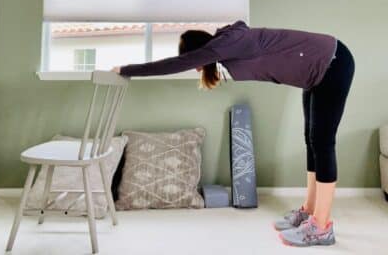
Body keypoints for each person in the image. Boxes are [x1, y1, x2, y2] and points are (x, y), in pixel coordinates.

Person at [111, 20, 355, 247]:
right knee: (312, 141)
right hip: (316, 70)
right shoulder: (227, 45)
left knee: (322, 143)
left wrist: (126, 69)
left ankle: (322, 227)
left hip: (332, 63)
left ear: (198, 50)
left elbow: (171, 65)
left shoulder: (226, 44)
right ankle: (310, 212)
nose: (196, 67)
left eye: (193, 58)